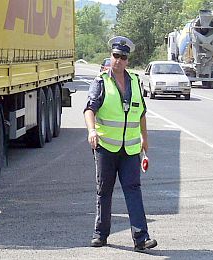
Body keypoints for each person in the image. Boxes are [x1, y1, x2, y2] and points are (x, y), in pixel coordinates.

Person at [83, 36, 157, 252]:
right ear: (111, 56)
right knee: (104, 190)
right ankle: (100, 234)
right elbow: (89, 109)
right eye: (116, 55)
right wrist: (92, 130)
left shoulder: (135, 81)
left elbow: (141, 113)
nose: (118, 60)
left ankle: (141, 239)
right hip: (105, 146)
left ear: (127, 60)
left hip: (131, 149)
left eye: (123, 57)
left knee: (133, 190)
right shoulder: (101, 82)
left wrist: (145, 139)